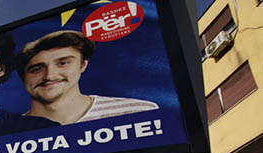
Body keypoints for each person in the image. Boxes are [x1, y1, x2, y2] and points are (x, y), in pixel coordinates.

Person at [16, 30, 159, 125]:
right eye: (36, 69)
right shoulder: (4, 134)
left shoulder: (138, 113)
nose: (49, 75)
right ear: (23, 77)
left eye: (63, 63)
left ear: (82, 65)